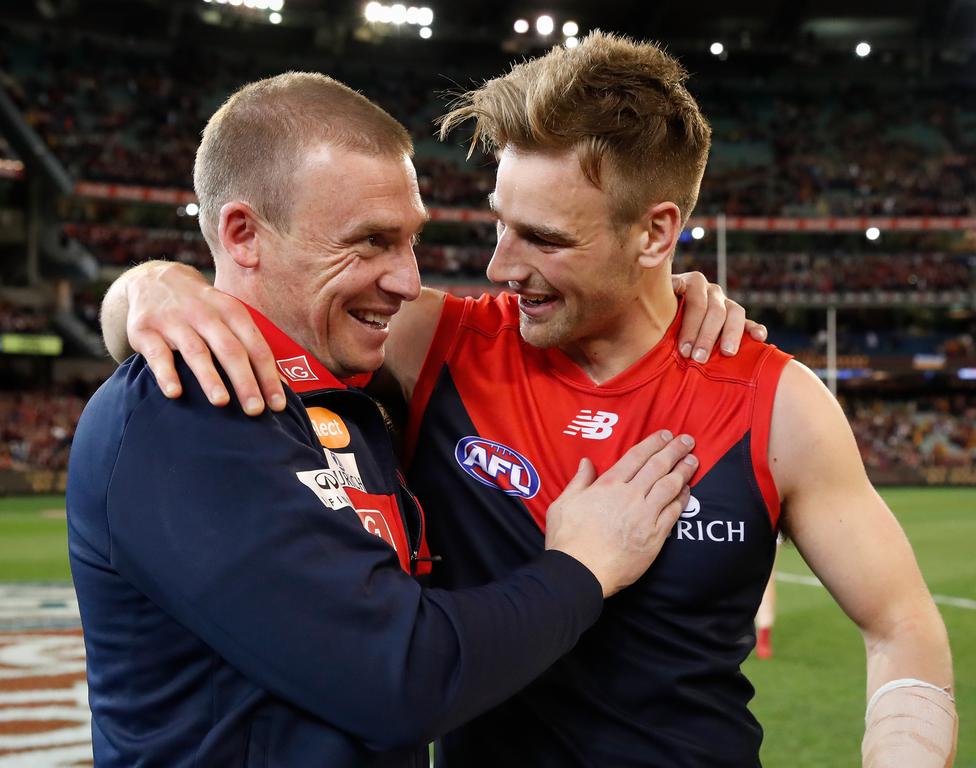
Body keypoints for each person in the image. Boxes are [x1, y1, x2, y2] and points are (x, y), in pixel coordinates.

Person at [102, 33, 958, 768]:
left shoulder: (773, 401)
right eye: (499, 222)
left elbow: (901, 625)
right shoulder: (430, 341)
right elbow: (257, 314)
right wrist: (150, 287)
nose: (501, 267)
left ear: (656, 233)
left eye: (545, 239)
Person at [68, 71, 708, 768]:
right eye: (371, 241)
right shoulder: (186, 412)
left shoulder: (342, 391)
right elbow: (404, 680)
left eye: (409, 241)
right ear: (243, 234)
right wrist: (583, 565)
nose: (407, 279)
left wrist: (656, 298)